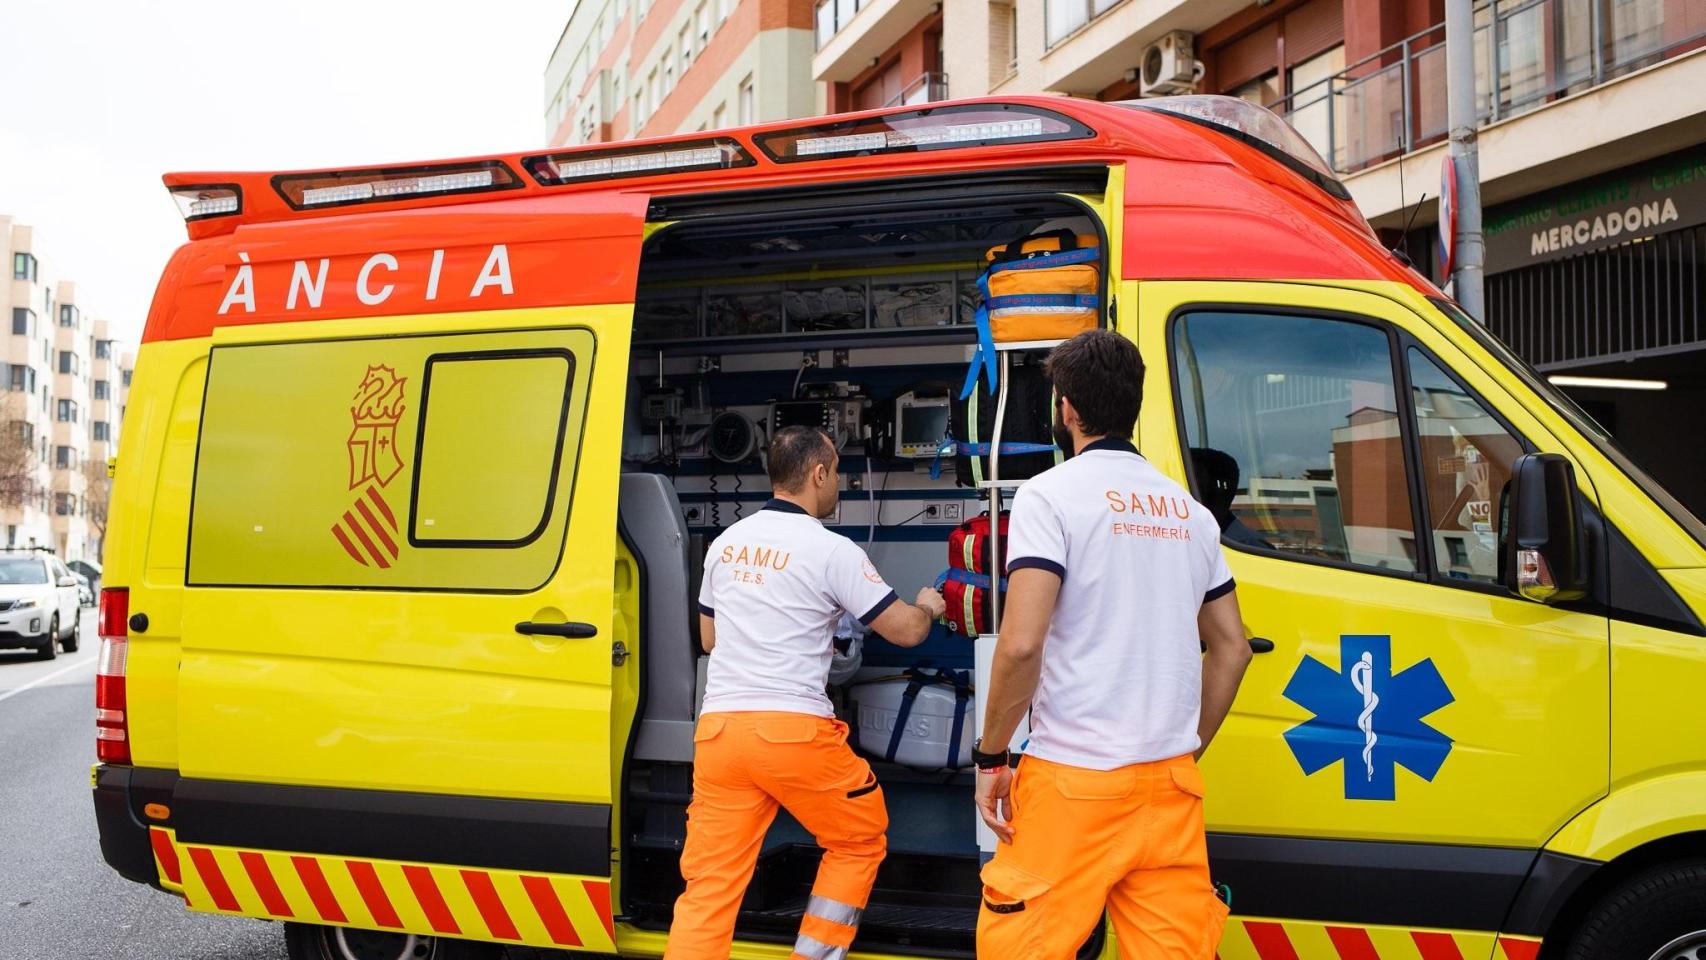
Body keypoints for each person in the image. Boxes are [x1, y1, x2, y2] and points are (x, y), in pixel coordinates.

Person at [972, 330, 1253, 960]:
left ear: (1067, 409)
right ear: (1134, 405)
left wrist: (990, 758)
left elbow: (1021, 645)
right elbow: (1232, 648)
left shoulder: (1049, 496)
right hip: (1169, 788)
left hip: (1074, 784)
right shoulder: (1190, 513)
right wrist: (1185, 751)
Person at [666, 425, 948, 960]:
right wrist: (928, 607)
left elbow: (709, 638)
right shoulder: (831, 550)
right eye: (836, 471)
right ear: (819, 474)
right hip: (792, 734)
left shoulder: (726, 544)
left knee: (710, 885)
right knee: (859, 838)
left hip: (721, 734)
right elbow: (906, 631)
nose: (838, 480)